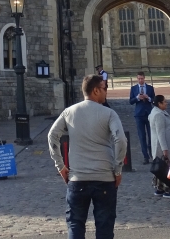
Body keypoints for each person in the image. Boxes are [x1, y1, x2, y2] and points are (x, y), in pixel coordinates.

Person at [48, 74, 127, 239]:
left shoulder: (69, 112)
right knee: (104, 227)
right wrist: (118, 168)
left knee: (76, 224)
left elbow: (52, 136)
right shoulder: (109, 113)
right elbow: (120, 139)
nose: (106, 92)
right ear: (96, 90)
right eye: (105, 88)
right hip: (104, 178)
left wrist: (60, 166)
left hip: (78, 179)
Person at [148, 94, 170, 199]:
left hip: (161, 145)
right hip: (162, 145)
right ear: (159, 103)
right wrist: (164, 149)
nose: (166, 103)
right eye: (164, 101)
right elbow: (160, 133)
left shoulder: (159, 112)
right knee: (165, 167)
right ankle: (167, 189)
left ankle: (159, 188)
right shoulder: (158, 115)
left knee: (161, 167)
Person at [128, 71, 156, 164]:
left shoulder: (150, 88)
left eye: (142, 78)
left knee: (151, 135)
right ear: (137, 79)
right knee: (142, 136)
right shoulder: (134, 88)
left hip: (149, 114)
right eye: (139, 78)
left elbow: (154, 101)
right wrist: (137, 98)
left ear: (144, 78)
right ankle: (145, 156)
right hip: (139, 115)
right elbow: (131, 101)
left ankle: (152, 154)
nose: (140, 80)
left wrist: (148, 98)